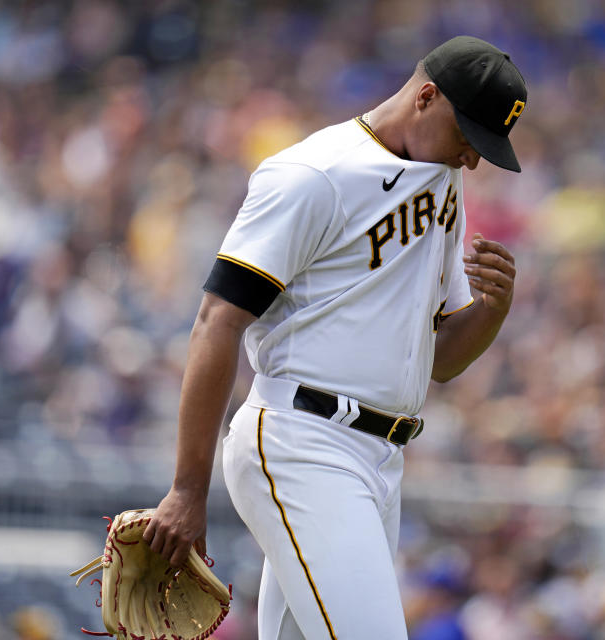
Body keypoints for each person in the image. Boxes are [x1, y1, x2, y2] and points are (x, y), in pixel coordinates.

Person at [143, 35, 527, 639]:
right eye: (469, 137)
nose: (472, 160)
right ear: (426, 97)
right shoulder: (314, 174)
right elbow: (218, 321)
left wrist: (493, 310)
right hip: (303, 441)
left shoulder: (442, 181)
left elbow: (444, 359)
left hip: (381, 460)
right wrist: (188, 489)